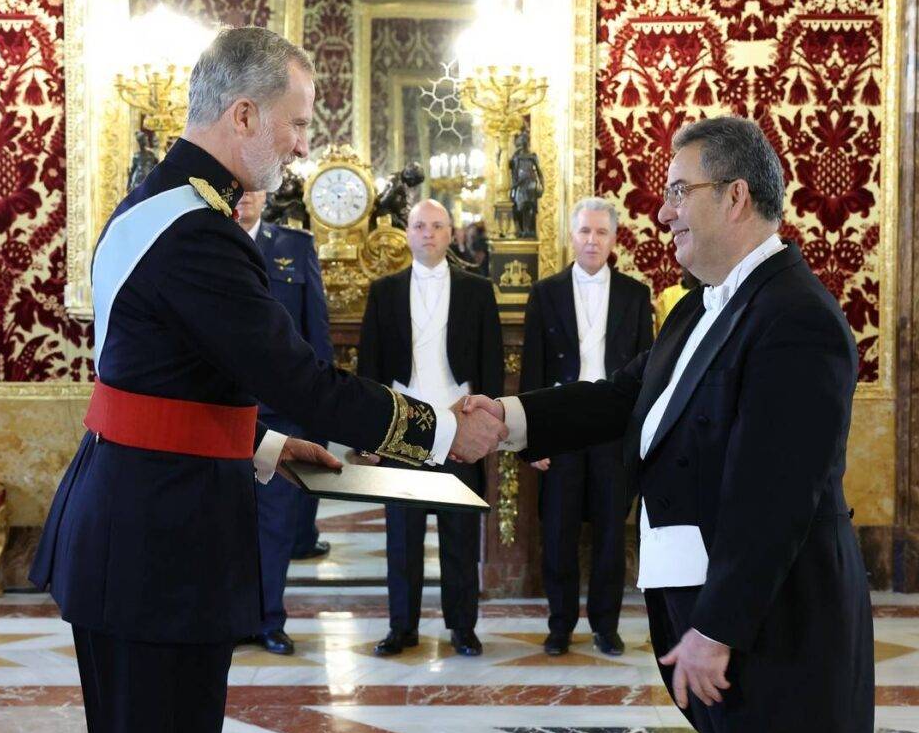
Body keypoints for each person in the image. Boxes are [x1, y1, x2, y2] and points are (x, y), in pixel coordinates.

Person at [29, 27, 506, 733]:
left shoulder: (152, 206)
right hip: (156, 546)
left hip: (138, 522)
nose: (304, 146)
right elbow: (298, 379)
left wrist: (266, 444)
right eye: (300, 122)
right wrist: (440, 432)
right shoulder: (195, 233)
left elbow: (162, 380)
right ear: (244, 115)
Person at [463, 116, 874, 733]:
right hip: (711, 618)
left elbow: (778, 495)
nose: (663, 212)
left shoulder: (796, 317)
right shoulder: (697, 305)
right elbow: (623, 397)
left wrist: (718, 628)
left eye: (680, 191)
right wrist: (507, 418)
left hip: (773, 628)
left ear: (734, 196)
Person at [356, 199, 504, 658]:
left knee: (460, 535)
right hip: (402, 428)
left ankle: (463, 628)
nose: (428, 234)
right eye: (419, 226)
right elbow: (370, 368)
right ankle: (402, 628)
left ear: (451, 232)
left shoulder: (478, 291)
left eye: (437, 226)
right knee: (403, 537)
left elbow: (491, 365)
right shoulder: (384, 291)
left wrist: (487, 426)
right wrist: (371, 435)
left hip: (458, 426)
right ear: (407, 232)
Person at [519, 197, 653, 657]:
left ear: (614, 240)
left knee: (611, 536)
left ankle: (606, 625)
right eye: (585, 232)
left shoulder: (636, 295)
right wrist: (530, 437)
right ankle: (560, 625)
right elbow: (532, 373)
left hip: (613, 431)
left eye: (601, 233)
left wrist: (638, 442)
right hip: (561, 426)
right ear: (571, 237)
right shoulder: (546, 293)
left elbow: (647, 376)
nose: (592, 240)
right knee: (558, 533)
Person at [234, 189, 332, 658]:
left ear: (267, 194)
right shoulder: (206, 241)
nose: (247, 196)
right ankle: (230, 618)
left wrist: (318, 411)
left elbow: (317, 335)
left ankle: (269, 620)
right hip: (221, 414)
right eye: (239, 185)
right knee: (224, 524)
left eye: (255, 187)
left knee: (274, 526)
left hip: (279, 418)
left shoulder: (295, 246)